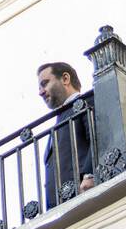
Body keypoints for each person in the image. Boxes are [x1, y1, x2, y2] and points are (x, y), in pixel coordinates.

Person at [37, 62, 96, 209]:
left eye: (44, 84)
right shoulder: (59, 120)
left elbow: (98, 136)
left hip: (84, 196)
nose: (40, 92)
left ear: (65, 79)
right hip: (62, 209)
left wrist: (89, 175)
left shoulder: (85, 102)